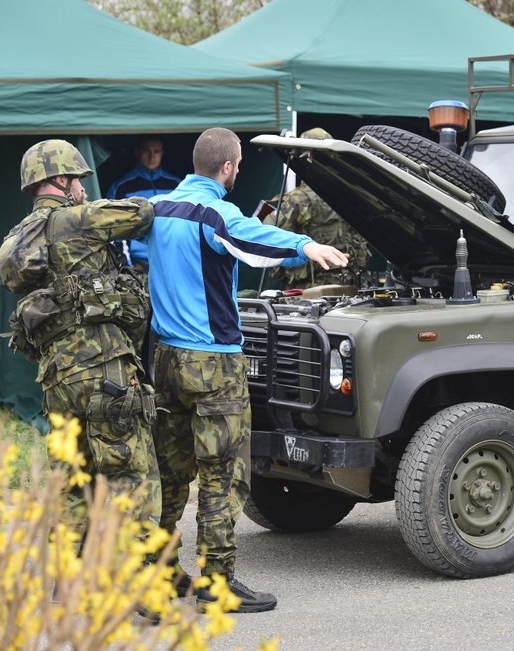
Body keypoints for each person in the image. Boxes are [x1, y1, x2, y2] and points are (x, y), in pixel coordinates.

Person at [145, 128, 348, 613]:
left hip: (164, 359)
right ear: (229, 168)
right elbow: (250, 239)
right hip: (212, 362)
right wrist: (305, 247)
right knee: (222, 473)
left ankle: (161, 573)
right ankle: (217, 584)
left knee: (171, 474)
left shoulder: (158, 207)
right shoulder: (213, 212)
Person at [6, 139, 160, 531]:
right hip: (104, 370)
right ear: (60, 178)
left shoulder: (22, 234)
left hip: (57, 378)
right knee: (130, 477)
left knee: (71, 484)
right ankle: (135, 581)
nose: (82, 188)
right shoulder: (79, 219)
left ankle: (68, 582)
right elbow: (142, 213)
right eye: (77, 179)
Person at [269, 128, 369, 288]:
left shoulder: (297, 199)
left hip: (308, 294)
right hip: (351, 288)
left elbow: (272, 245)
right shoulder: (352, 195)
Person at [107, 135, 181, 267]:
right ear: (137, 152)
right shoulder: (121, 187)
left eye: (156, 151)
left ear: (162, 153)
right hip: (137, 266)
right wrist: (126, 267)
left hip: (173, 263)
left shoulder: (176, 186)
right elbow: (115, 230)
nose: (152, 156)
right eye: (146, 151)